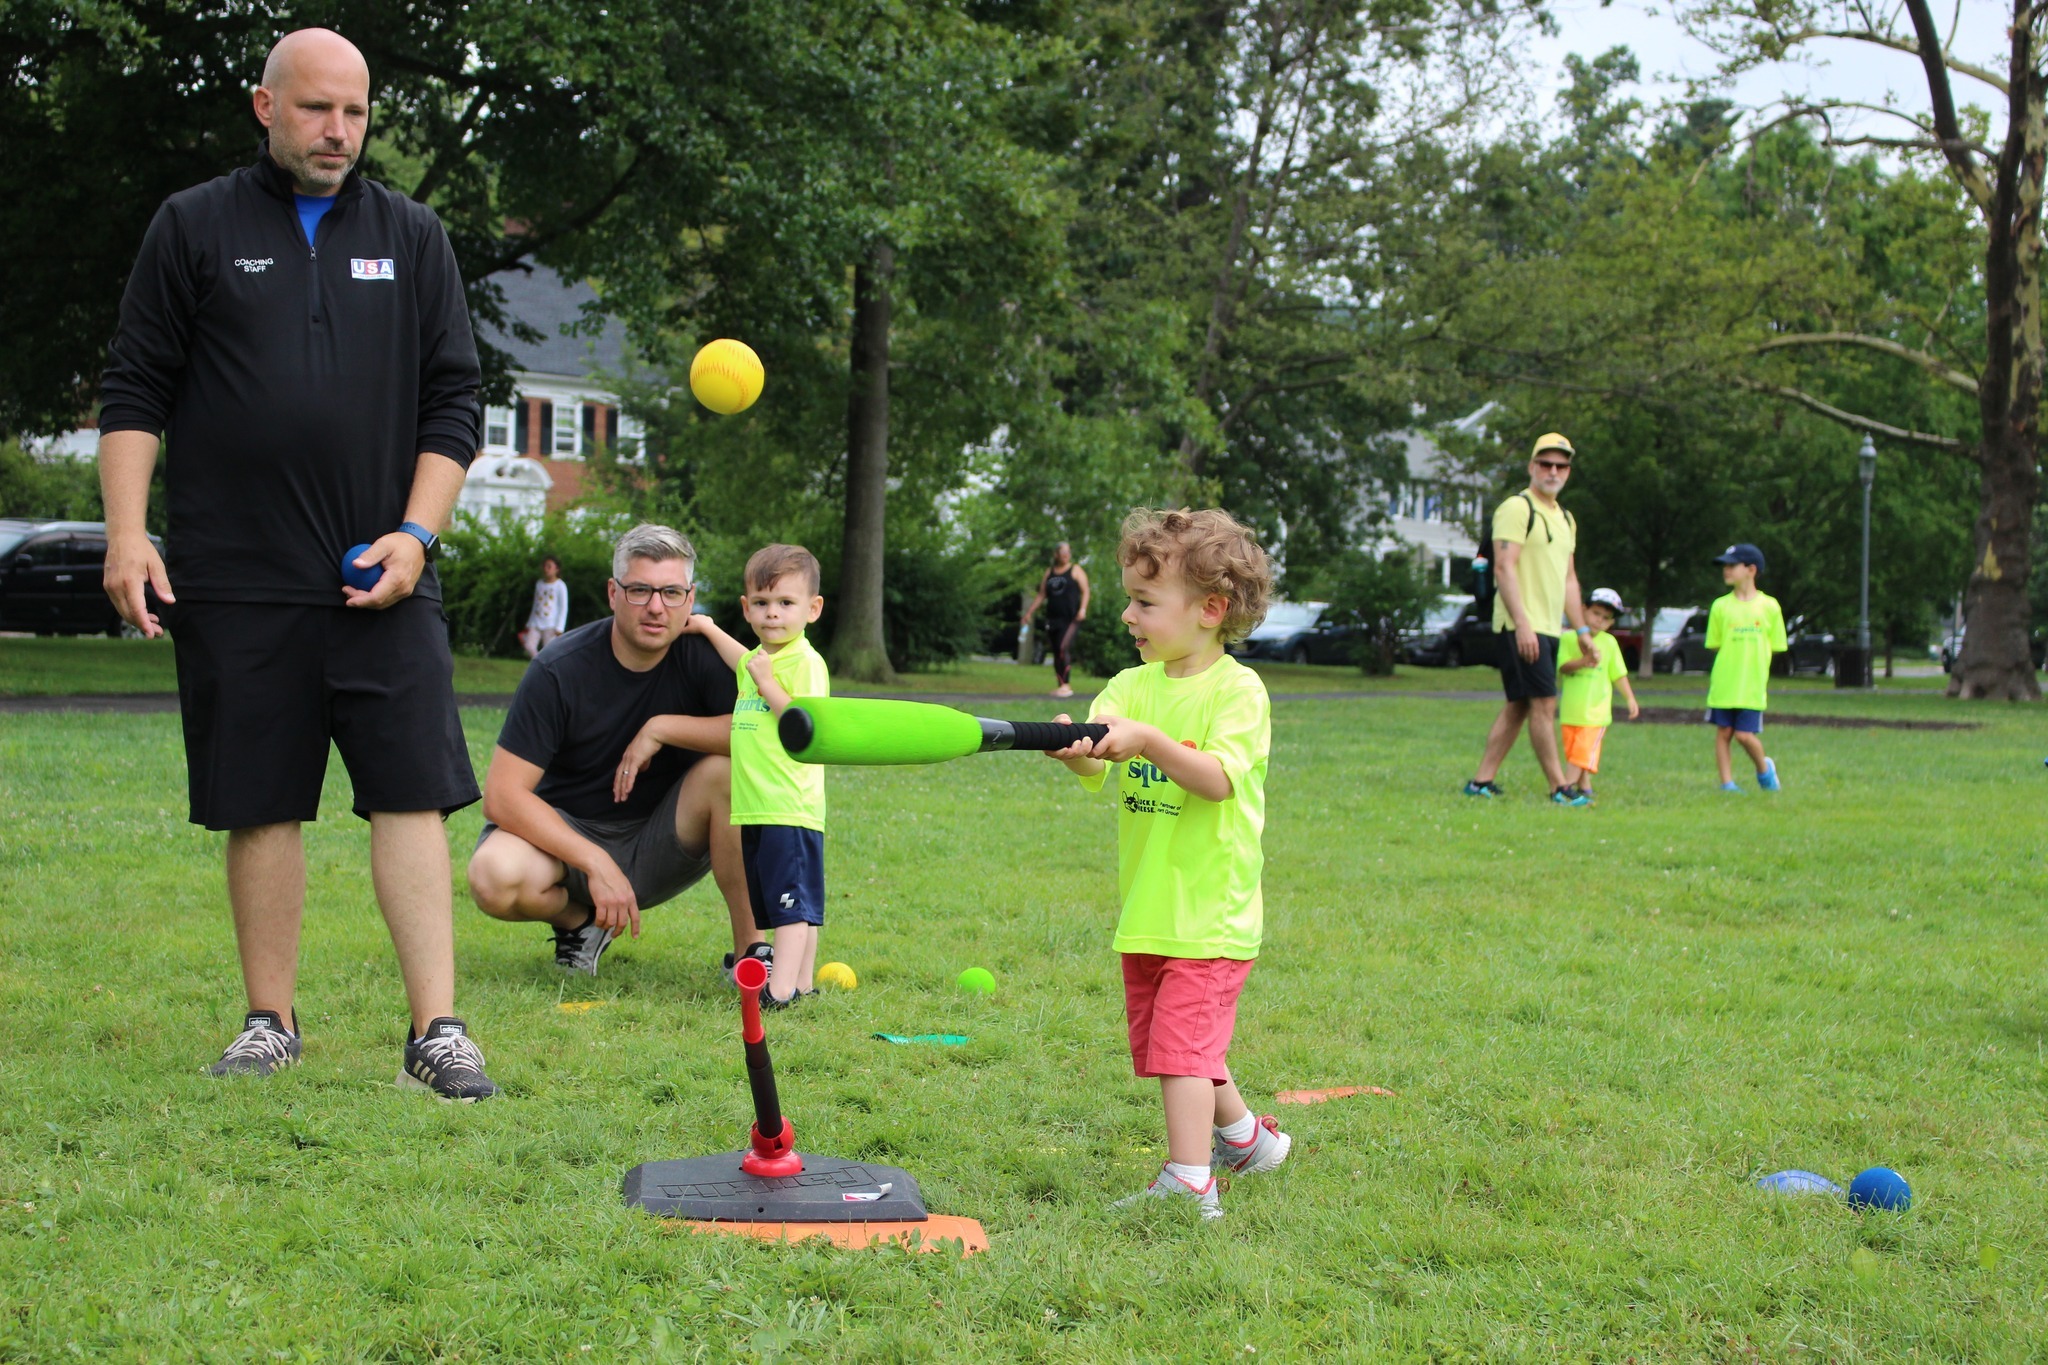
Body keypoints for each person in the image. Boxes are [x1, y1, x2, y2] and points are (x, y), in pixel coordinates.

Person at [96, 29, 498, 1098]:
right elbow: (134, 387)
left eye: (356, 114)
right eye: (318, 110)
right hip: (234, 573)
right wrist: (129, 533)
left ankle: (438, 1033)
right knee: (259, 802)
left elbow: (454, 402)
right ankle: (268, 1021)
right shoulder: (193, 226)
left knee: (411, 795)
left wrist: (415, 537)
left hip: (382, 576)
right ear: (265, 106)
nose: (338, 133)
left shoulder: (413, 237)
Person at [1047, 508, 1291, 1220]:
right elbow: (1096, 762)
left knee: (1182, 1052)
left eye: (1146, 602)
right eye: (1128, 596)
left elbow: (1217, 778)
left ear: (1211, 609)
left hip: (1211, 911)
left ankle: (1190, 1183)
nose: (1127, 614)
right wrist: (1072, 748)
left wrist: (1149, 740)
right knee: (1178, 1044)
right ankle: (1247, 1141)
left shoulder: (1237, 692)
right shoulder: (1130, 685)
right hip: (1150, 907)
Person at [465, 524, 761, 975]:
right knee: (492, 876)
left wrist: (663, 728)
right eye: (640, 590)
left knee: (725, 772)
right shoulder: (558, 669)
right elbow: (502, 795)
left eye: (671, 593)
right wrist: (594, 860)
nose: (656, 607)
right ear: (613, 592)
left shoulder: (702, 656)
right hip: (567, 845)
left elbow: (767, 733)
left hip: (662, 839)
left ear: (690, 596)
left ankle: (752, 958)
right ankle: (581, 924)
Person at [681, 545, 830, 1007]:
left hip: (789, 803)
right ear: (746, 608)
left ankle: (780, 990)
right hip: (758, 805)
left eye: (786, 603)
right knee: (782, 898)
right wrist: (706, 627)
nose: (772, 614)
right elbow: (741, 659)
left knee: (791, 904)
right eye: (762, 604)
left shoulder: (804, 662)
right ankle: (802, 983)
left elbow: (805, 724)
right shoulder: (762, 659)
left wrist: (766, 684)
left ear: (812, 609)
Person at [1463, 433, 1598, 806]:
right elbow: (1504, 568)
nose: (1553, 471)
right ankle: (1560, 787)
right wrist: (1522, 623)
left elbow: (1569, 580)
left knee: (1520, 704)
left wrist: (1583, 629)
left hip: (1549, 626)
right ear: (1532, 467)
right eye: (1545, 464)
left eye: (1561, 466)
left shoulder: (1565, 518)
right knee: (1544, 703)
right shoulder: (1517, 508)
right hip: (1520, 624)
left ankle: (1481, 781)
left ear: (1568, 472)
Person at [1704, 543, 1786, 792]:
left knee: (1744, 735)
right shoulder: (1720, 606)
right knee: (1724, 732)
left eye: (1732, 565)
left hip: (1751, 684)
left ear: (1751, 569)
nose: (1726, 570)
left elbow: (1775, 645)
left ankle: (1764, 770)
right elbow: (1716, 644)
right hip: (1724, 683)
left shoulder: (1770, 606)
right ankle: (1727, 784)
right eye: (1724, 566)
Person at [1557, 587, 1640, 802]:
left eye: (1605, 618)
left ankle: (1565, 788)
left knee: (1581, 754)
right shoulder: (1568, 639)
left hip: (1595, 714)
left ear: (1611, 623)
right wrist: (1584, 661)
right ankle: (1585, 787)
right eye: (1595, 614)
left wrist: (1630, 698)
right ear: (1583, 610)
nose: (1598, 621)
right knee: (1574, 753)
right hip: (1571, 711)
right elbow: (1563, 667)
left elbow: (1618, 674)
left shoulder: (1609, 643)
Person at [1022, 541, 1091, 698]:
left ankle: (1066, 686)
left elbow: (1086, 590)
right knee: (1056, 651)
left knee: (1062, 647)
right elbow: (1041, 595)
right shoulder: (1050, 572)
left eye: (1068, 552)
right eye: (1063, 552)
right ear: (1056, 554)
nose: (1066, 555)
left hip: (1071, 618)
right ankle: (1061, 686)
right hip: (1053, 619)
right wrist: (1029, 613)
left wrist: (1083, 609)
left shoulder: (1075, 570)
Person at [519, 555, 569, 658]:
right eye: (544, 566)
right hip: (536, 622)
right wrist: (530, 622)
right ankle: (538, 662)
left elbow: (563, 607)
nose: (546, 569)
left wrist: (560, 627)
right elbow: (536, 604)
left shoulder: (560, 586)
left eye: (549, 566)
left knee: (549, 650)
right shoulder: (539, 584)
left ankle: (544, 668)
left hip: (551, 624)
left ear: (556, 569)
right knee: (529, 645)